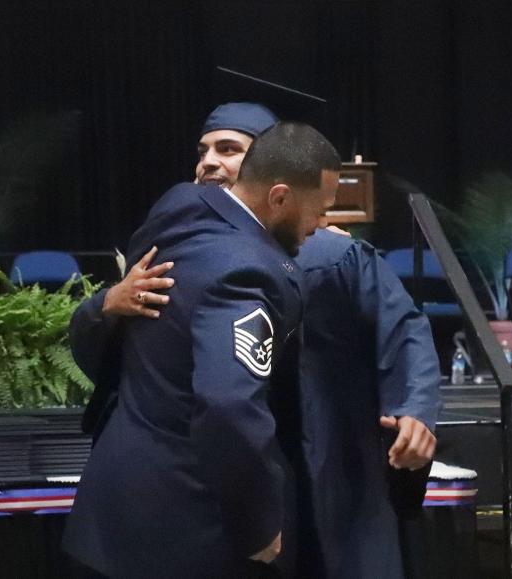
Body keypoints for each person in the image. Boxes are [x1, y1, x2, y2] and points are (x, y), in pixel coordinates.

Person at [71, 102, 440, 578]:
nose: (208, 162)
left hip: (312, 459)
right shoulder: (175, 228)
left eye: (229, 149)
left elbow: (404, 327)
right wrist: (104, 305)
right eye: (203, 150)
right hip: (223, 473)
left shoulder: (331, 254)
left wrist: (414, 406)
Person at [62, 122, 340, 578]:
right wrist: (258, 526)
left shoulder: (179, 208)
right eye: (320, 210)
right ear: (280, 198)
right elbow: (228, 406)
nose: (322, 225)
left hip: (109, 507)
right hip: (183, 533)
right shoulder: (250, 274)